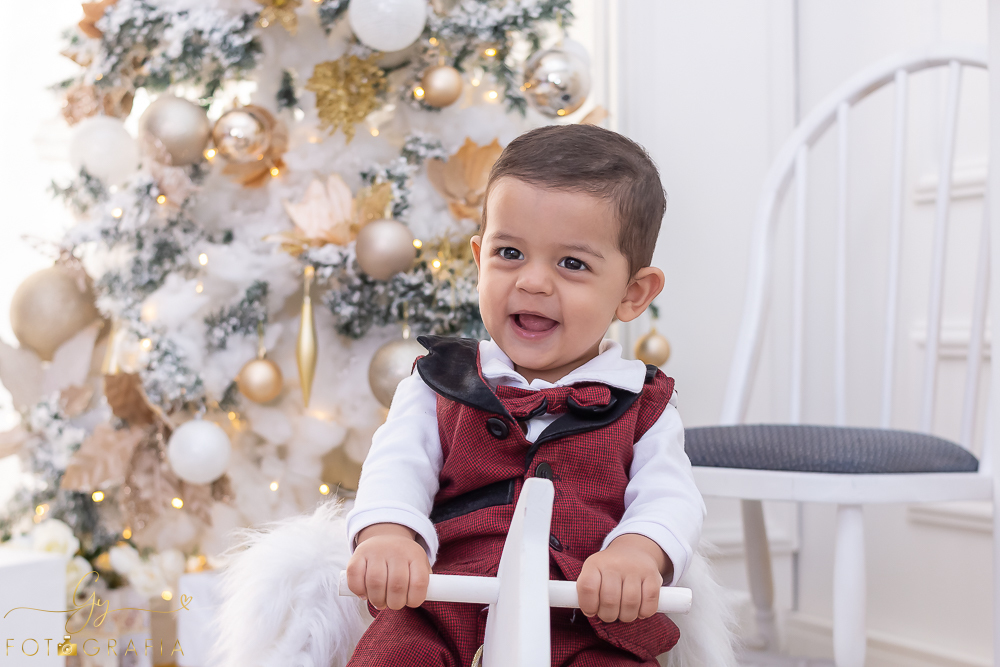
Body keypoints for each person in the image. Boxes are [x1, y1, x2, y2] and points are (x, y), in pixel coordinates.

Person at [344, 124, 705, 666]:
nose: (533, 282)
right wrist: (391, 536)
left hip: (584, 618)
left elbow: (669, 498)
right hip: (444, 606)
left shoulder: (642, 405)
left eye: (572, 263)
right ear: (478, 257)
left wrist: (637, 553)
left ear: (633, 293)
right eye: (510, 252)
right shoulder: (440, 382)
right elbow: (397, 466)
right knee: (391, 656)